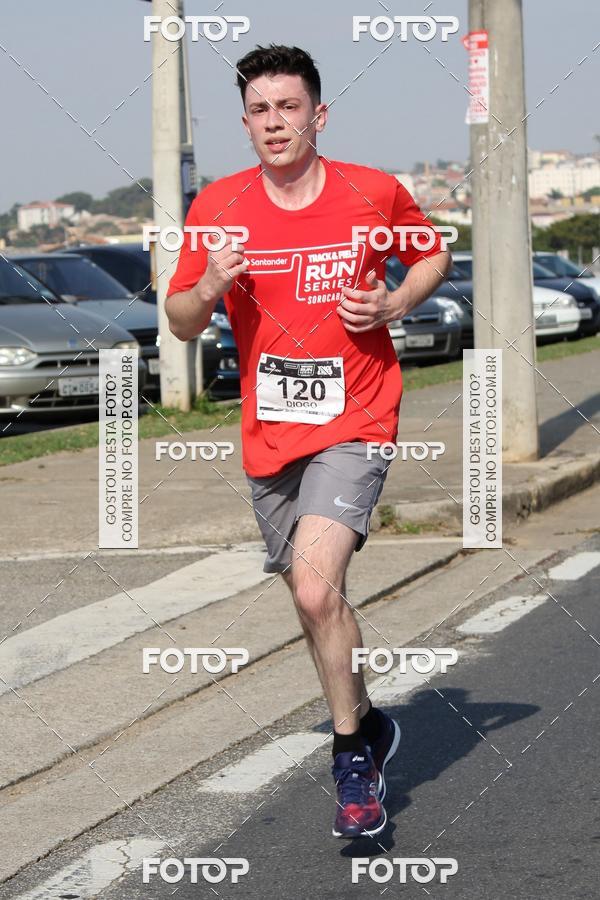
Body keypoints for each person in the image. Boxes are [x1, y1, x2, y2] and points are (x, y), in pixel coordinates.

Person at [165, 44, 451, 838]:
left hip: (359, 418)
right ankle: (365, 718)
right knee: (306, 594)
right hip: (271, 432)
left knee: (319, 588)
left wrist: (395, 303)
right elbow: (179, 319)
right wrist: (212, 286)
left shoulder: (371, 191)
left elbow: (433, 254)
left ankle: (350, 753)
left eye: (289, 107)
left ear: (317, 115)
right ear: (247, 123)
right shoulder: (219, 206)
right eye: (260, 110)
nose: (275, 122)